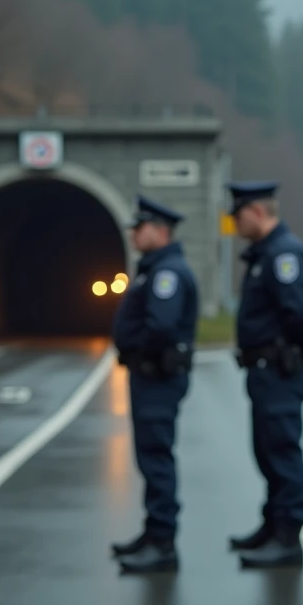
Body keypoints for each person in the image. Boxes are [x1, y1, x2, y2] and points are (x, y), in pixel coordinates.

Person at [226, 181, 303, 569]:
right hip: (263, 371)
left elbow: (298, 312)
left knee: (282, 450)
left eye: (237, 216)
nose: (234, 223)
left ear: (256, 211)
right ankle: (272, 524)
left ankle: (289, 536)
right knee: (267, 450)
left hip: (279, 369)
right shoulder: (265, 254)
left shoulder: (283, 255)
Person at [110, 195, 198, 575]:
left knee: (157, 458)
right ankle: (153, 532)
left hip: (157, 377)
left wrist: (141, 354)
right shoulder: (155, 267)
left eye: (139, 227)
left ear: (160, 232)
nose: (132, 233)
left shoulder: (167, 273)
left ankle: (163, 544)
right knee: (150, 457)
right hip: (149, 376)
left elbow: (161, 326)